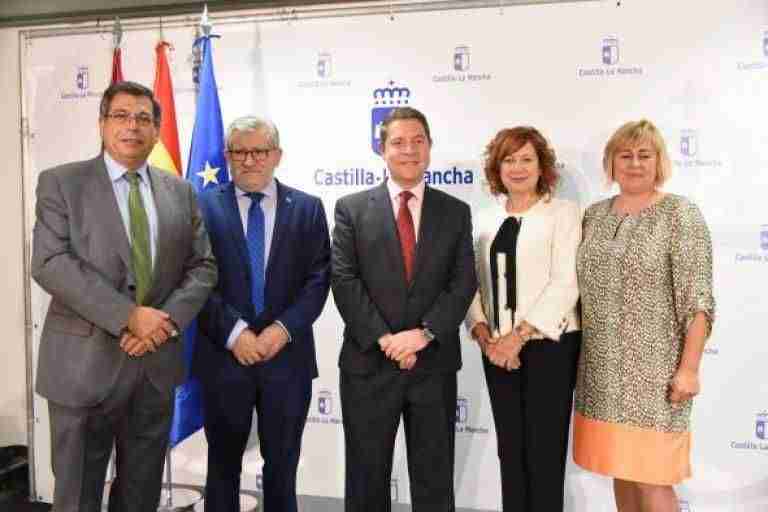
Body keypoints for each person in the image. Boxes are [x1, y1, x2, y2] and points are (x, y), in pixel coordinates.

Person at [31, 80, 217, 512]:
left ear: (156, 130)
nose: (132, 126)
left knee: (140, 497)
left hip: (154, 369)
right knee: (77, 498)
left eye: (143, 118)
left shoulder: (180, 191)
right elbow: (50, 262)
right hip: (83, 371)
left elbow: (203, 266)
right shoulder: (62, 183)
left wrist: (163, 324)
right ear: (101, 123)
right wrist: (129, 317)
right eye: (121, 116)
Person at [331, 107, 476, 511]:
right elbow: (344, 279)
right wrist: (386, 339)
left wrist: (423, 335)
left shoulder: (455, 211)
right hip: (368, 364)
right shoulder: (351, 208)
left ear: (429, 147)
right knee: (366, 479)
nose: (409, 150)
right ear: (382, 150)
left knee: (434, 480)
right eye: (398, 142)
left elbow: (463, 283)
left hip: (433, 365)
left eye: (418, 141)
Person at [573, 120, 715, 512]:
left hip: (656, 375)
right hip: (602, 374)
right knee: (622, 471)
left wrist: (689, 369)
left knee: (653, 479)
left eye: (644, 155)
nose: (634, 164)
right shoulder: (594, 216)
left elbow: (698, 301)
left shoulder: (680, 214)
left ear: (659, 161)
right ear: (611, 162)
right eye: (625, 155)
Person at [193, 116, 331, 512]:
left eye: (259, 151)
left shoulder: (307, 208)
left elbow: (319, 279)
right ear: (227, 156)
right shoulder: (202, 206)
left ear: (277, 156)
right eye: (240, 151)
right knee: (222, 467)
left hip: (287, 360)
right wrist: (235, 333)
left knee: (282, 468)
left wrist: (281, 330)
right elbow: (194, 279)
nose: (249, 160)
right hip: (224, 358)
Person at [465, 126, 582, 511]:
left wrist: (518, 337)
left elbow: (566, 282)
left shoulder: (563, 213)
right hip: (497, 351)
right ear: (497, 168)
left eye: (526, 159)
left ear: (542, 166)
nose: (517, 168)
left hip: (549, 346)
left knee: (544, 452)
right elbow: (471, 282)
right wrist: (483, 333)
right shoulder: (484, 219)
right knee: (510, 451)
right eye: (509, 160)